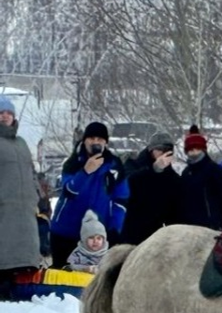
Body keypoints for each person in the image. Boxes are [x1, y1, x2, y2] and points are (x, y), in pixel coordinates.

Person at [50, 121, 129, 268]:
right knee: (63, 277)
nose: (95, 142)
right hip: (66, 231)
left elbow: (121, 199)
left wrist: (114, 228)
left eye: (100, 139)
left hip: (97, 234)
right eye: (91, 138)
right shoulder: (72, 163)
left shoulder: (115, 165)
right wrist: (85, 172)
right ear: (84, 140)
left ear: (106, 142)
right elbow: (69, 191)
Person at [0, 95, 44, 285]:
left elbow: (31, 172)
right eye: (1, 112)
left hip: (25, 211)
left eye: (9, 112)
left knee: (23, 257)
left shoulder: (22, 143)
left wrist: (37, 196)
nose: (5, 116)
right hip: (4, 209)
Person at [121, 132, 183, 246]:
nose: (162, 153)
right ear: (151, 150)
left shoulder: (172, 177)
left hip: (154, 234)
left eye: (167, 150)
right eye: (159, 149)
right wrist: (154, 170)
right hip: (130, 228)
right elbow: (129, 183)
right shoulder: (133, 164)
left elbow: (175, 209)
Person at [178, 128, 222, 231]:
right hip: (190, 225)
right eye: (191, 150)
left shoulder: (214, 169)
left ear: (203, 150)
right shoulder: (186, 172)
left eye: (197, 149)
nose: (194, 153)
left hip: (212, 225)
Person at [66, 209, 110, 274]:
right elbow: (70, 266)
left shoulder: (107, 255)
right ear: (84, 239)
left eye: (99, 238)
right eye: (91, 238)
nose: (95, 241)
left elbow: (110, 269)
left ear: (104, 240)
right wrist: (84, 269)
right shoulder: (78, 253)